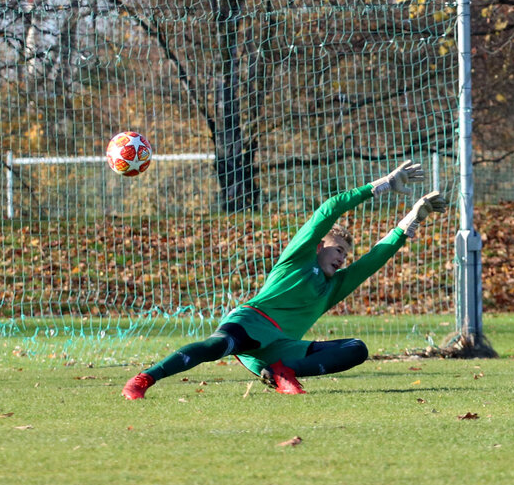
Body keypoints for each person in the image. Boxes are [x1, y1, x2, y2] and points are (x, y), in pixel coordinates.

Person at [122, 161, 447, 399]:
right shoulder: (298, 257)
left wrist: (413, 218)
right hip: (251, 323)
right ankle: (146, 378)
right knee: (219, 344)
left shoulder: (332, 287)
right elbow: (328, 210)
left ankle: (281, 374)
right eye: (337, 250)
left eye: (346, 255)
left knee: (356, 349)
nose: (342, 257)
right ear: (319, 246)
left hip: (281, 348)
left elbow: (374, 258)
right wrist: (384, 184)